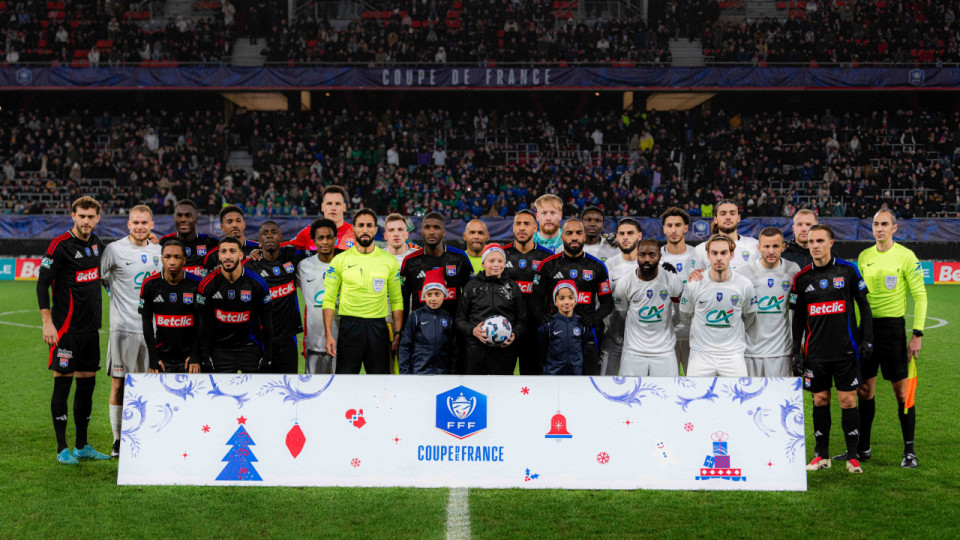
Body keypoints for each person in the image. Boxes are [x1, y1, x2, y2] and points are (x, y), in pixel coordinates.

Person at [790, 224, 873, 474]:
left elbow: (864, 307)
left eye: (820, 241)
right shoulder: (802, 278)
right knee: (820, 400)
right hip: (815, 353)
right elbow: (797, 319)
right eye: (811, 241)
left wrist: (867, 339)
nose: (814, 245)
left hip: (846, 351)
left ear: (831, 242)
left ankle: (852, 457)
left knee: (848, 401)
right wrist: (796, 350)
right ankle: (822, 456)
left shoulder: (848, 271)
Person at [37, 196, 111, 464]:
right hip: (65, 330)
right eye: (82, 216)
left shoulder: (98, 245)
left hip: (90, 330)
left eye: (91, 216)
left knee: (87, 387)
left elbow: (104, 278)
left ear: (98, 218)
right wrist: (48, 322)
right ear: (73, 215)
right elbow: (41, 284)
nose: (86, 221)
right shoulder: (59, 245)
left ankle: (82, 445)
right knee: (63, 384)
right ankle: (61, 448)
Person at [853, 209, 927, 468]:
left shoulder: (906, 256)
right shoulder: (864, 257)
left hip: (894, 331)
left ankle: (909, 451)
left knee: (902, 392)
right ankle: (863, 448)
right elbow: (857, 297)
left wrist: (917, 334)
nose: (879, 229)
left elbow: (920, 296)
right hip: (867, 329)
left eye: (884, 224)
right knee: (864, 390)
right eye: (875, 224)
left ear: (894, 228)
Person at [100, 205, 161, 457]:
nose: (139, 227)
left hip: (154, 331)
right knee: (119, 384)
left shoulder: (160, 251)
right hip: (122, 330)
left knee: (152, 384)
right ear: (128, 224)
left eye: (144, 223)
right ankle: (117, 440)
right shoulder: (114, 250)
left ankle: (149, 436)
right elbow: (100, 278)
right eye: (135, 222)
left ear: (152, 225)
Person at [323, 209, 403, 374]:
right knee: (345, 382)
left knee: (380, 384)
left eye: (369, 225)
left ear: (375, 229)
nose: (365, 230)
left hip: (378, 328)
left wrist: (397, 333)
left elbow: (396, 300)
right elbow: (329, 299)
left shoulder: (389, 261)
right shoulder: (340, 260)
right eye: (361, 225)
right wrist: (329, 334)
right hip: (349, 328)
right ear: (354, 229)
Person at [532, 219, 614, 375]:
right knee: (553, 384)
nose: (574, 237)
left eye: (578, 233)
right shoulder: (547, 265)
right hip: (555, 337)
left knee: (589, 383)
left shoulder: (597, 266)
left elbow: (607, 303)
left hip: (586, 336)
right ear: (562, 237)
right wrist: (543, 317)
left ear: (584, 237)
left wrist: (593, 318)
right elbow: (535, 299)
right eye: (569, 233)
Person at [680, 235, 758, 377]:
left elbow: (750, 317)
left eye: (724, 253)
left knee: (737, 398)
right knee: (696, 398)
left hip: (733, 356)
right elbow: (685, 316)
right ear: (708, 256)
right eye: (714, 253)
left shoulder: (744, 284)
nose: (719, 258)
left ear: (732, 255)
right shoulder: (693, 285)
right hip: (700, 355)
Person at [197, 237, 274, 373]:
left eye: (232, 251)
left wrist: (267, 355)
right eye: (224, 252)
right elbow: (203, 326)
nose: (228, 256)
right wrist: (204, 355)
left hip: (249, 349)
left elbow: (267, 323)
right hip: (220, 351)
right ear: (219, 256)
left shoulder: (257, 283)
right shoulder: (207, 285)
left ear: (241, 255)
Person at [615, 239, 685, 376]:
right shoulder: (625, 282)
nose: (646, 259)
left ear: (660, 256)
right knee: (631, 395)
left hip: (664, 352)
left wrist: (667, 324)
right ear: (637, 255)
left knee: (667, 395)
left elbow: (680, 313)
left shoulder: (672, 280)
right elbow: (620, 314)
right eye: (642, 255)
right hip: (633, 351)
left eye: (652, 255)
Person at [245, 221, 307, 374]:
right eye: (265, 233)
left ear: (280, 237)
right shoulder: (250, 267)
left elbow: (319, 252)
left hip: (288, 339)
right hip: (260, 341)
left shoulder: (293, 257)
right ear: (259, 241)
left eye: (273, 232)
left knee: (289, 387)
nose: (269, 235)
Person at [456, 244, 525, 375]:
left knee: (502, 390)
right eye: (491, 261)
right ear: (483, 263)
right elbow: (460, 319)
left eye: (500, 261)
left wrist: (514, 334)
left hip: (504, 351)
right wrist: (473, 331)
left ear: (505, 264)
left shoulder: (512, 287)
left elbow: (522, 320)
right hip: (476, 349)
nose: (496, 264)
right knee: (476, 390)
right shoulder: (471, 286)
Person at [740, 227, 801, 377]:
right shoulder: (744, 273)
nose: (771, 251)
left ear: (783, 247)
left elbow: (798, 310)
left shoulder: (793, 270)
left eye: (775, 246)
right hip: (750, 351)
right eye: (766, 246)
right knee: (751, 399)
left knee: (779, 399)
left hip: (782, 352)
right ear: (759, 248)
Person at [140, 240, 202, 376]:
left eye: (177, 257)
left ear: (184, 260)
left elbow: (202, 323)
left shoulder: (197, 284)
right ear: (162, 259)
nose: (172, 262)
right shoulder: (150, 285)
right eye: (167, 257)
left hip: (190, 359)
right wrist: (153, 357)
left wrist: (195, 355)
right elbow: (146, 322)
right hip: (162, 358)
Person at [503, 210, 553, 375]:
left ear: (535, 229)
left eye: (527, 224)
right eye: (518, 224)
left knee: (532, 379)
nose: (522, 228)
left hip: (535, 328)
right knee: (502, 377)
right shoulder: (501, 255)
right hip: (505, 327)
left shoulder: (547, 258)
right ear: (513, 228)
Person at [400, 212, 472, 321]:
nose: (432, 232)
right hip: (421, 329)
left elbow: (470, 296)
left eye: (436, 228)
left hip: (453, 329)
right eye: (427, 227)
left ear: (444, 232)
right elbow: (403, 300)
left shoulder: (460, 258)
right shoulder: (410, 261)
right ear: (422, 231)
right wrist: (401, 332)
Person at [297, 218, 340, 374]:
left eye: (329, 237)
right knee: (314, 392)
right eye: (320, 238)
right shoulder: (303, 266)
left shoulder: (345, 264)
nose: (325, 242)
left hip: (343, 342)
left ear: (335, 239)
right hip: (314, 344)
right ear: (314, 240)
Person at [599, 218, 642, 376]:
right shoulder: (608, 265)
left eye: (630, 233)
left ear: (639, 236)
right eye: (621, 233)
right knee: (604, 386)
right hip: (614, 339)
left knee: (638, 389)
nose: (625, 237)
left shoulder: (651, 265)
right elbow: (602, 301)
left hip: (642, 342)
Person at [659, 207, 698, 374]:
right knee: (667, 388)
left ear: (686, 228)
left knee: (695, 387)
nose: (673, 230)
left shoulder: (699, 256)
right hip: (666, 336)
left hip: (695, 336)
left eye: (678, 225)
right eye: (669, 225)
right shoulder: (655, 258)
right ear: (664, 228)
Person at [398, 268, 456, 374]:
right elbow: (405, 347)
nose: (433, 298)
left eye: (437, 294)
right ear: (424, 296)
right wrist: (404, 373)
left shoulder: (448, 318)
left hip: (442, 374)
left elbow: (453, 350)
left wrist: (452, 374)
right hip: (419, 372)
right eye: (429, 294)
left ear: (444, 295)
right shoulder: (415, 316)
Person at [539, 281, 592, 375]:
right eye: (561, 298)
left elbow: (583, 348)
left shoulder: (582, 324)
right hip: (553, 374)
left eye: (571, 298)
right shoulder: (549, 325)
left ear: (576, 300)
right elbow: (542, 350)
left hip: (575, 374)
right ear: (555, 301)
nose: (566, 302)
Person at [693, 200, 759, 272]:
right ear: (715, 219)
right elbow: (694, 280)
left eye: (732, 213)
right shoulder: (700, 250)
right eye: (723, 214)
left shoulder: (754, 245)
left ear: (738, 218)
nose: (728, 217)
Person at [285, 185, 356, 251]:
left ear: (344, 207)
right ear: (322, 207)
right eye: (329, 203)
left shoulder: (357, 233)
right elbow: (281, 247)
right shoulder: (308, 232)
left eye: (337, 204)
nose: (333, 208)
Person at [159, 199, 219, 276]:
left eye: (188, 215)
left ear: (196, 218)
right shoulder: (164, 242)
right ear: (174, 218)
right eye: (179, 215)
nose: (183, 219)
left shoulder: (210, 243)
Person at [202, 205, 259, 272]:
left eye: (238, 221)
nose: (235, 225)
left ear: (244, 224)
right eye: (230, 222)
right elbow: (206, 279)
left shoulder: (257, 248)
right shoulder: (212, 255)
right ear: (222, 227)